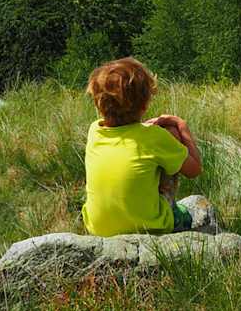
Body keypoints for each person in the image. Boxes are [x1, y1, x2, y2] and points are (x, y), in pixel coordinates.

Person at [81, 57, 218, 235]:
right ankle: (171, 212)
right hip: (151, 226)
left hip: (99, 228)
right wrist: (181, 125)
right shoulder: (156, 138)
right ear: (145, 104)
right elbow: (195, 170)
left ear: (98, 104)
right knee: (172, 134)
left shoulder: (94, 131)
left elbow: (127, 137)